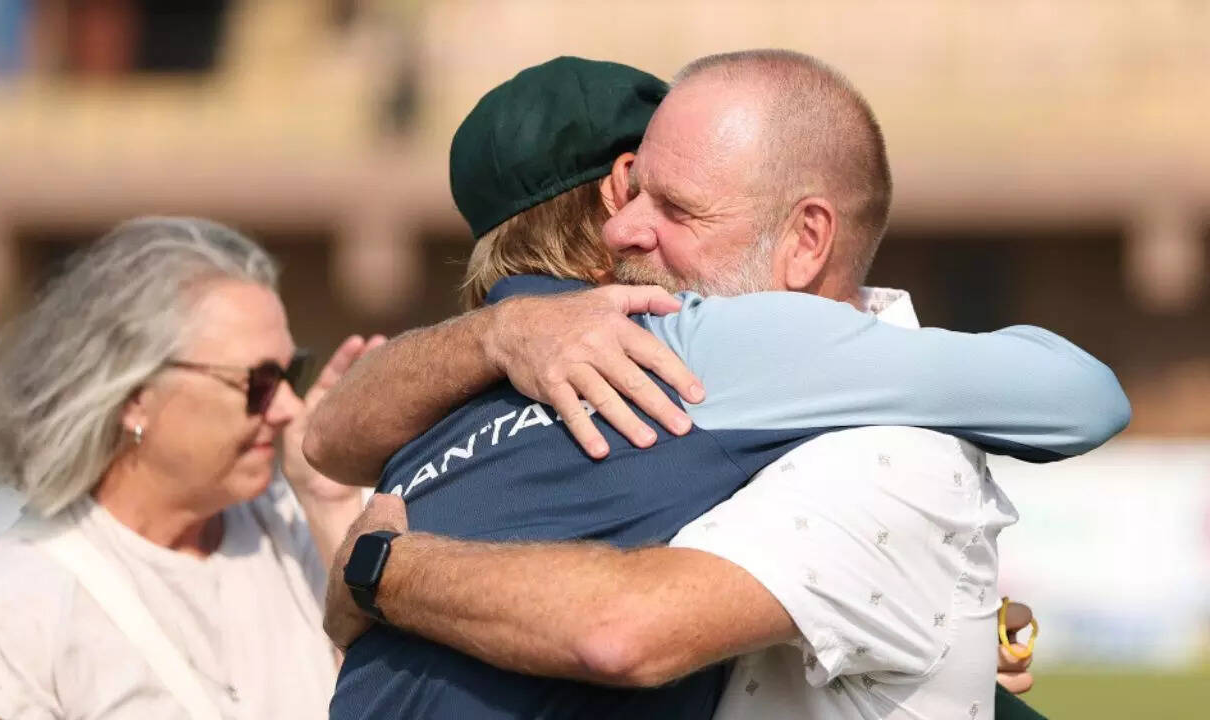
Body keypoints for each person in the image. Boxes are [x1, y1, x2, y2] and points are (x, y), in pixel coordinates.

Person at [309, 55, 1124, 719]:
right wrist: (383, 569)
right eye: (633, 193)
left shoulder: (427, 414)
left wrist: (378, 569)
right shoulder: (695, 341)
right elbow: (623, 631)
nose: (630, 227)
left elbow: (327, 437)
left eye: (671, 204)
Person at [0, 217, 383, 720]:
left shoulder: (303, 536)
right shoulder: (16, 603)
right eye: (258, 382)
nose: (287, 409)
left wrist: (330, 503)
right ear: (135, 397)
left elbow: (400, 700)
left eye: (290, 374)